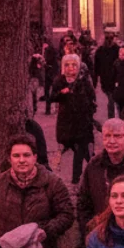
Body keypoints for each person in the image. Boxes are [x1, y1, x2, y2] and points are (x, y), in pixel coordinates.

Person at [50, 53, 97, 183]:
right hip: (67, 122)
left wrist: (90, 112)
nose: (71, 68)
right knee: (76, 149)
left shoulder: (84, 80)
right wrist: (61, 93)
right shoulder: (59, 80)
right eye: (67, 65)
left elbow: (92, 97)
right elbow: (52, 97)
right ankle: (85, 176)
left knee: (82, 150)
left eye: (74, 65)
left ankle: (78, 179)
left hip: (83, 122)